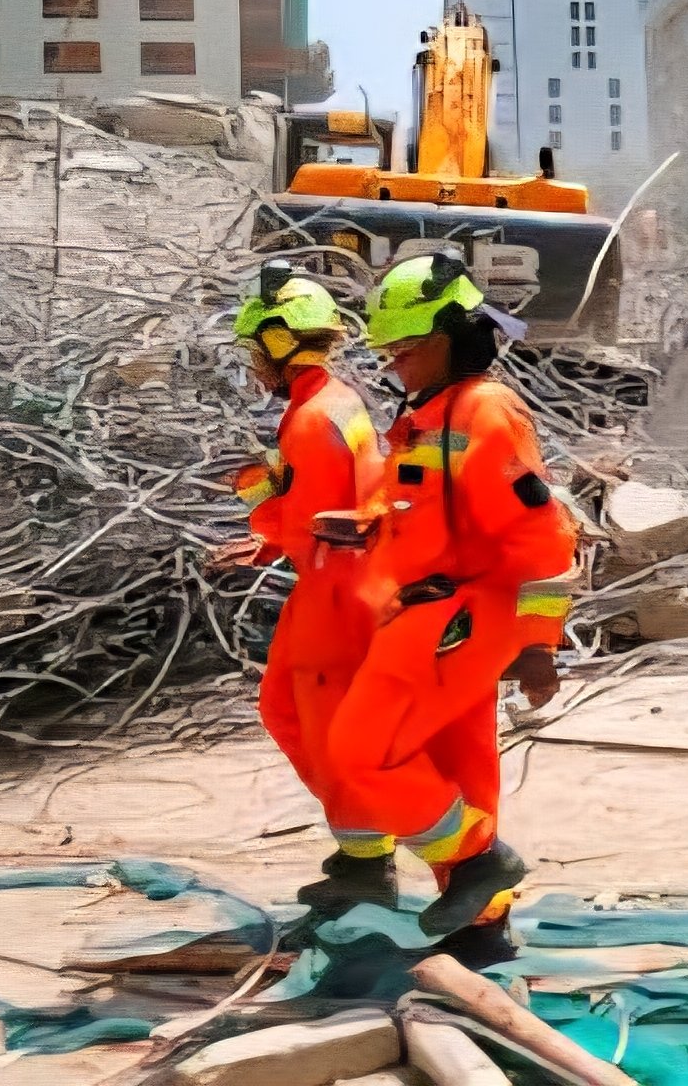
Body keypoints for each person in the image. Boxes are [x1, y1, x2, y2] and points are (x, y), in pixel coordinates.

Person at [323, 252, 575, 951]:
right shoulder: (426, 416)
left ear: (445, 338)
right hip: (430, 612)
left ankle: (478, 862)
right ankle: (481, 926)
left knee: (360, 754)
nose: (392, 365)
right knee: (460, 767)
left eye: (403, 349)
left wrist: (538, 645)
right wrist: (368, 522)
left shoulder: (484, 412)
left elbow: (545, 535)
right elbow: (412, 497)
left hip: (462, 617)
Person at [221, 260, 393, 915]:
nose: (252, 364)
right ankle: (362, 850)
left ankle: (366, 862)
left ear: (281, 342)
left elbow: (315, 523)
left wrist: (260, 507)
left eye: (255, 349)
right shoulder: (334, 401)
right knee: (288, 710)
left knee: (318, 725)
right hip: (341, 585)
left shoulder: (309, 419)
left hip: (334, 593)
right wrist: (268, 533)